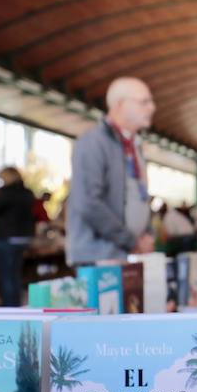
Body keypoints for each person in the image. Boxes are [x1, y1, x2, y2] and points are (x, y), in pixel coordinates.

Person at [66, 77, 156, 265]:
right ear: (120, 104)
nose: (151, 107)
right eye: (144, 102)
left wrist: (147, 234)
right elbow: (89, 202)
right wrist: (131, 241)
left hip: (124, 254)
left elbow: (140, 197)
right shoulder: (93, 143)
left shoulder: (134, 146)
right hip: (99, 256)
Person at [0, 167, 37, 306]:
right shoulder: (27, 193)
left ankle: (11, 307)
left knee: (6, 276)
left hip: (8, 237)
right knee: (16, 274)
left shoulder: (6, 193)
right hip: (24, 237)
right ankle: (16, 304)